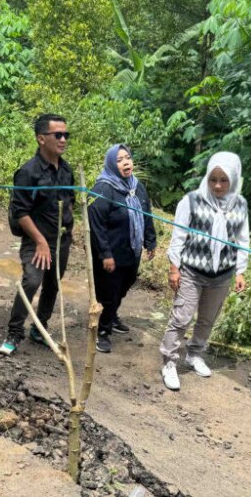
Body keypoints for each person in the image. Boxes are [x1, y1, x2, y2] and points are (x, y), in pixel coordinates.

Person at [159, 152, 249, 390]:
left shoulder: (240, 204)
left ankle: (195, 354)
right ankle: (169, 361)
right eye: (213, 179)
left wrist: (240, 271)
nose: (218, 185)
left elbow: (242, 240)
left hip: (221, 275)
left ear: (234, 179)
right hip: (192, 271)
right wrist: (174, 268)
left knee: (208, 319)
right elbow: (178, 236)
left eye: (224, 180)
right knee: (182, 317)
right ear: (207, 178)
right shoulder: (192, 200)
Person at [0, 114, 75, 356]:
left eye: (66, 135)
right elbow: (20, 211)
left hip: (61, 240)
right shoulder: (28, 173)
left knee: (53, 284)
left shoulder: (67, 170)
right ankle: (14, 333)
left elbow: (70, 201)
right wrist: (40, 241)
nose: (63, 139)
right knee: (32, 280)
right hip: (36, 240)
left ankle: (39, 328)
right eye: (58, 135)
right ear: (41, 139)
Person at [88, 144, 156, 354]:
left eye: (128, 158)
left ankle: (112, 315)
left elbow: (146, 214)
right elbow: (96, 224)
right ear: (111, 164)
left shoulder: (137, 186)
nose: (126, 162)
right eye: (119, 160)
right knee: (108, 292)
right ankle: (102, 331)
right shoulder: (103, 189)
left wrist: (150, 241)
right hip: (110, 253)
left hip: (131, 250)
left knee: (125, 285)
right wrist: (105, 254)